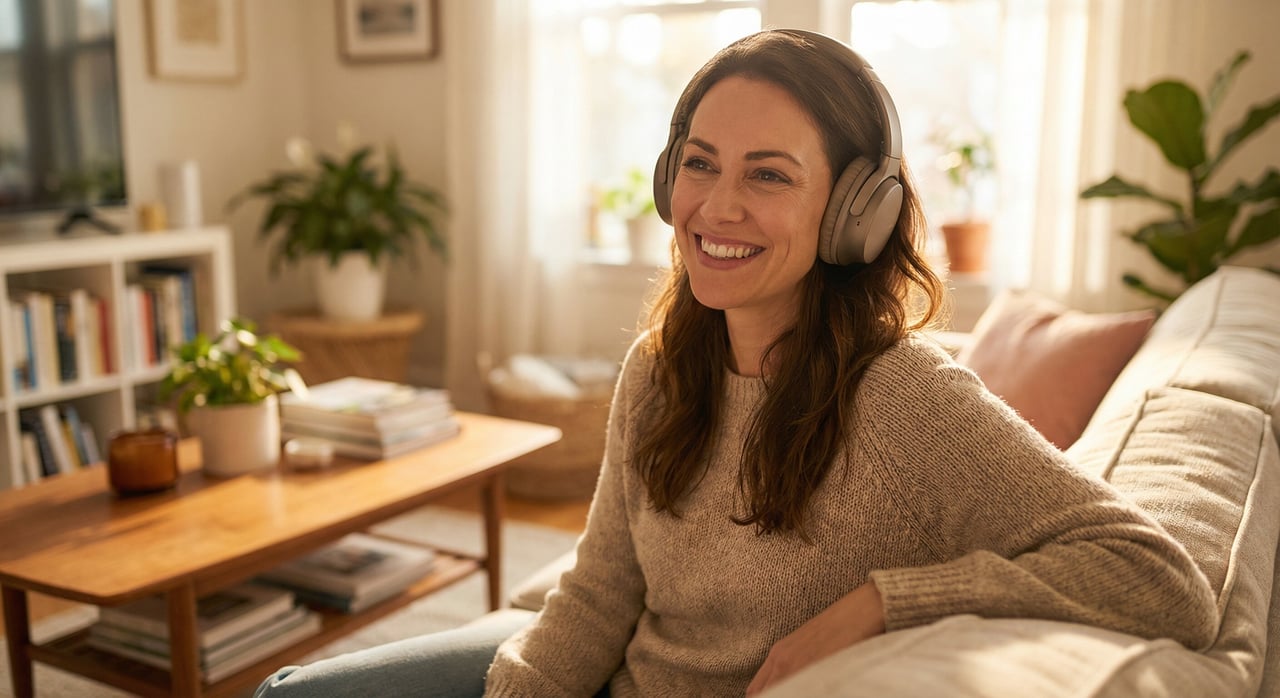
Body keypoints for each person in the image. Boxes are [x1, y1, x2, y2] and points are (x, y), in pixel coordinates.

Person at [257, 29, 1217, 698]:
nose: (715, 207)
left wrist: (887, 602)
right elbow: (599, 588)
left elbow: (1159, 577)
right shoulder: (660, 365)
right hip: (612, 678)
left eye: (768, 174)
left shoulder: (905, 396)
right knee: (296, 691)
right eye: (701, 163)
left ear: (856, 212)